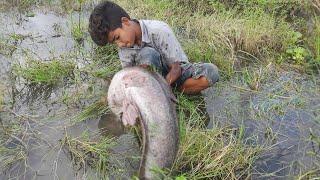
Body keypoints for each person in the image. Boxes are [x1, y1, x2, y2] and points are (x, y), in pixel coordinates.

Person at [88, 1, 219, 94]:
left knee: (211, 72)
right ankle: (160, 94)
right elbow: (129, 75)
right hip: (149, 82)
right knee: (148, 54)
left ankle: (170, 91)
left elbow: (177, 67)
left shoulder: (159, 30)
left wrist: (164, 85)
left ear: (125, 22)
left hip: (174, 73)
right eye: (114, 43)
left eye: (117, 38)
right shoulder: (124, 48)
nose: (120, 44)